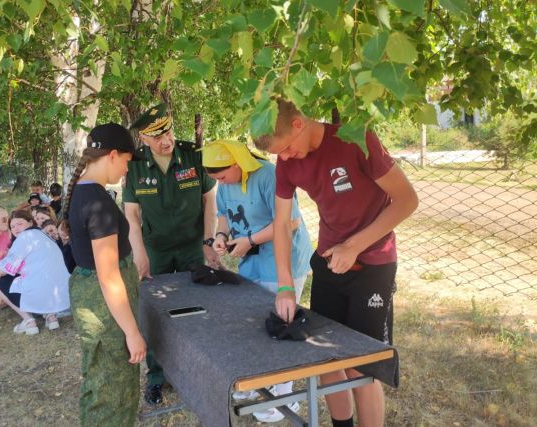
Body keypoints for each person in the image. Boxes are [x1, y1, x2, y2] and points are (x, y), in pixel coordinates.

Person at [253, 100, 419, 427]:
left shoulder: (355, 138)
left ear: (299, 123)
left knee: (361, 365)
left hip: (373, 264)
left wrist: (354, 246)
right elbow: (282, 224)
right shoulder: (287, 163)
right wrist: (286, 286)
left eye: (286, 148)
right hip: (330, 263)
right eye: (278, 154)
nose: (283, 159)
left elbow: (407, 200)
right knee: (326, 359)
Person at [202, 139, 313, 423]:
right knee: (253, 320)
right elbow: (224, 215)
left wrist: (249, 240)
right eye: (215, 180)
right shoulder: (225, 184)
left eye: (223, 177)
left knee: (282, 323)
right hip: (252, 259)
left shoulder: (268, 175)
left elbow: (290, 222)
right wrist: (221, 237)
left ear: (238, 164)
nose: (221, 183)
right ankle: (255, 384)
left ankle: (282, 396)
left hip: (284, 261)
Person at [122, 103, 219, 405]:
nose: (167, 140)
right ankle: (156, 376)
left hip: (192, 247)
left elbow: (210, 204)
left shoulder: (193, 156)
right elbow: (132, 217)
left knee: (194, 309)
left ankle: (192, 371)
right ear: (145, 140)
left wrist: (208, 242)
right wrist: (139, 253)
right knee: (156, 313)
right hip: (156, 251)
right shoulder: (135, 166)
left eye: (169, 131)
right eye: (158, 136)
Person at [64, 122, 146, 425]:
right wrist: (133, 333)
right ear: (112, 155)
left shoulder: (83, 191)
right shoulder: (97, 201)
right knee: (113, 393)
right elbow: (109, 276)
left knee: (100, 386)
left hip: (96, 304)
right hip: (106, 311)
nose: (127, 170)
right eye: (126, 161)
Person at [0, 209, 70, 334]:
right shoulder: (44, 236)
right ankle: (51, 317)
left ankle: (28, 321)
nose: (15, 229)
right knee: (37, 277)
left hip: (46, 293)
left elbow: (3, 270)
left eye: (19, 224)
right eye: (12, 226)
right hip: (61, 296)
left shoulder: (25, 237)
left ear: (31, 223)